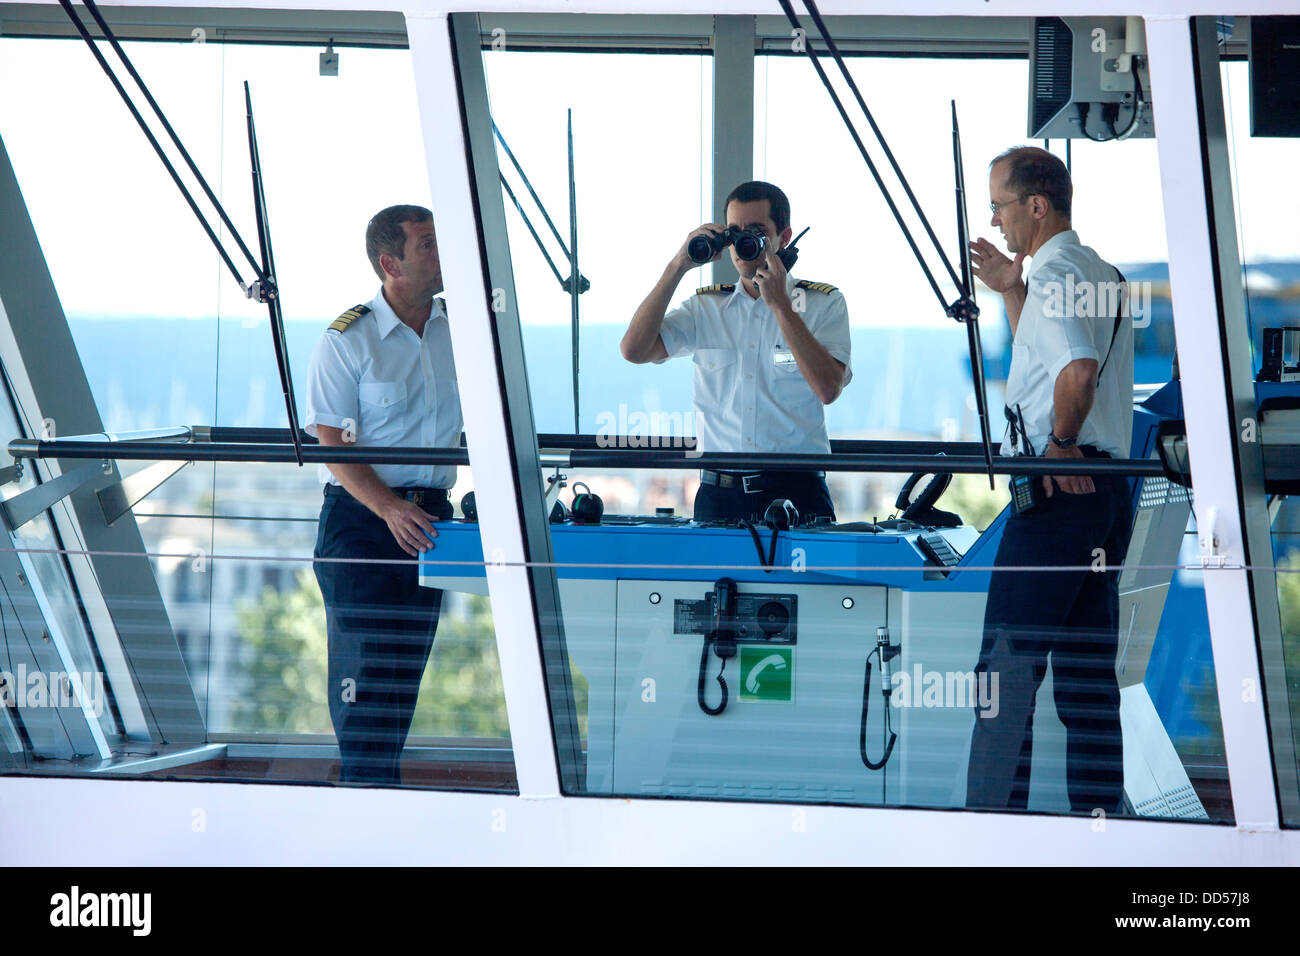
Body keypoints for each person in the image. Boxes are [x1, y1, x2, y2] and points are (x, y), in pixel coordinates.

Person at [965, 147, 1134, 813]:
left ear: (1037, 204)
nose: (997, 221)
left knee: (1002, 673)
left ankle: (994, 835)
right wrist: (1011, 289)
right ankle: (1101, 828)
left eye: (1000, 206)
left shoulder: (1059, 273)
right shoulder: (1095, 271)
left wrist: (1059, 443)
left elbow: (1079, 373)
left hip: (1059, 501)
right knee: (1087, 681)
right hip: (1104, 498)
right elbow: (1046, 358)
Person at [305, 204, 462, 785]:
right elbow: (331, 442)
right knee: (365, 671)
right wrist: (390, 508)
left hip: (431, 521)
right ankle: (365, 803)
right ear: (389, 262)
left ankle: (380, 796)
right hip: (364, 519)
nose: (441, 253)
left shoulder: (461, 331)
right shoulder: (350, 339)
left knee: (403, 672)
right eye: (427, 244)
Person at [620, 181, 851, 523]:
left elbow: (828, 388)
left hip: (797, 494)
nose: (744, 244)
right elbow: (634, 350)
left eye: (757, 232)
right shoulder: (706, 307)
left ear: (783, 238)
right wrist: (678, 265)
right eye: (734, 232)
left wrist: (781, 307)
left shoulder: (822, 303)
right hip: (719, 495)